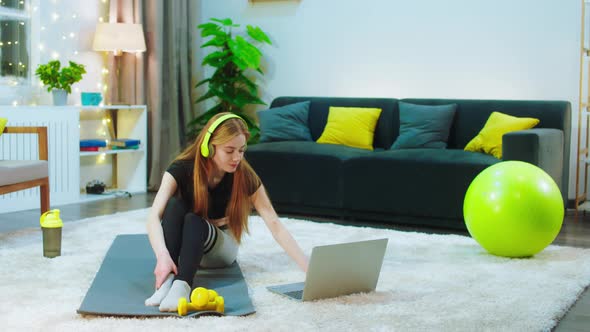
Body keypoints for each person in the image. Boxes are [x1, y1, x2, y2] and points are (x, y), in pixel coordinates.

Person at [144, 112, 309, 312]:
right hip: (187, 249)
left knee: (193, 220)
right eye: (229, 150)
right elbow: (154, 216)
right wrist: (162, 255)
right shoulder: (181, 169)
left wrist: (309, 269)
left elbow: (274, 224)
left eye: (241, 150)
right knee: (175, 206)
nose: (237, 157)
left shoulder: (244, 175)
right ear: (208, 147)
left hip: (220, 250)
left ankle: (182, 286)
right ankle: (167, 281)